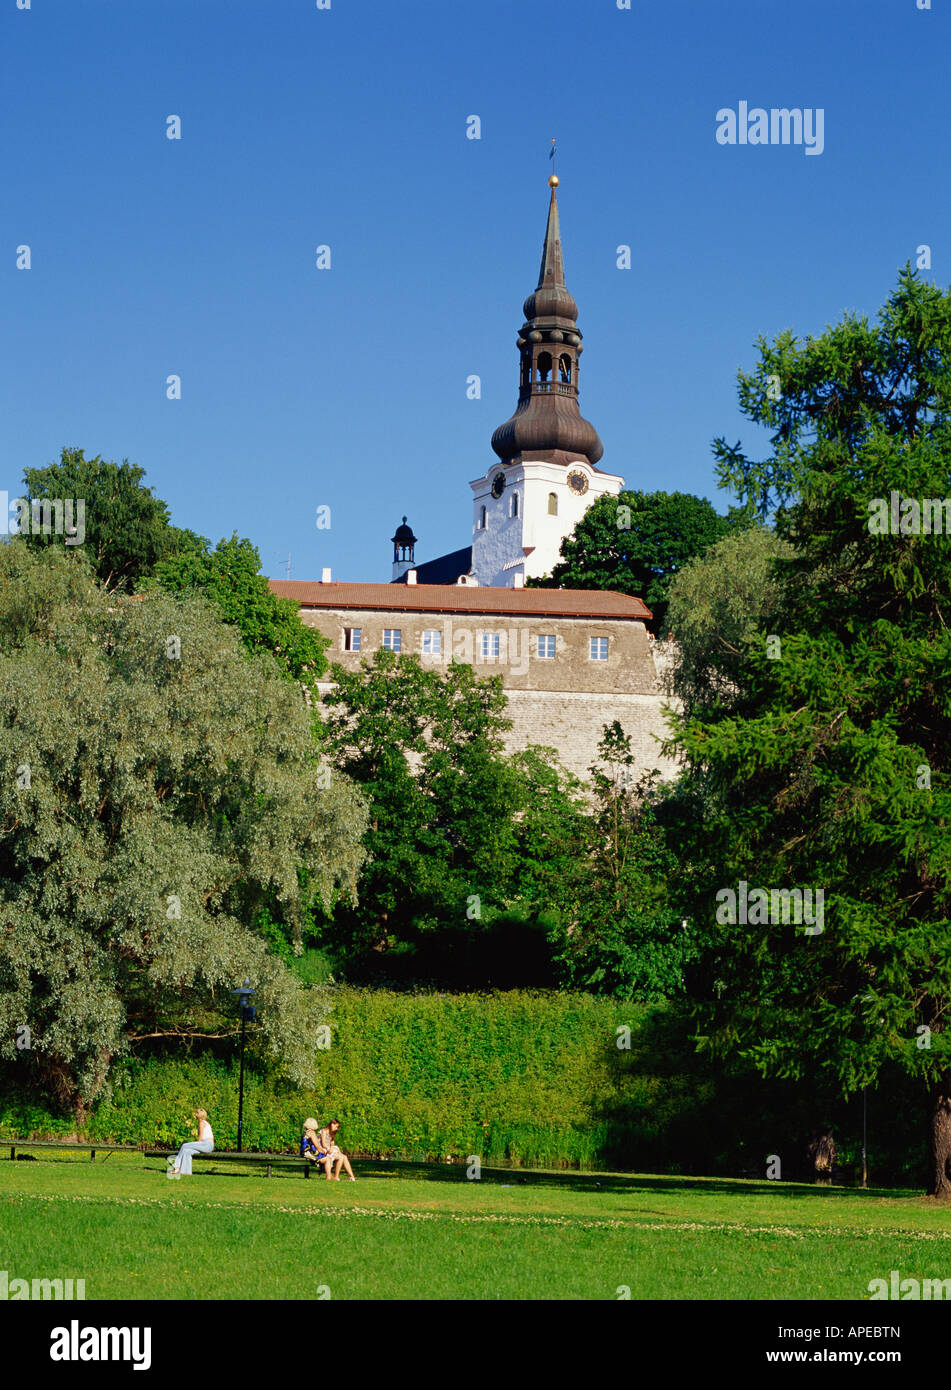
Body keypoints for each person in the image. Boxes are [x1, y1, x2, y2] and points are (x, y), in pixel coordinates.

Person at [167, 1108, 214, 1178]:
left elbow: (200, 1138)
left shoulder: (201, 1123)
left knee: (184, 1145)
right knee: (187, 1151)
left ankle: (176, 1166)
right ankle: (186, 1172)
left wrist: (195, 1144)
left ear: (198, 1116)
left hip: (206, 1144)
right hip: (209, 1145)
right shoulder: (206, 1123)